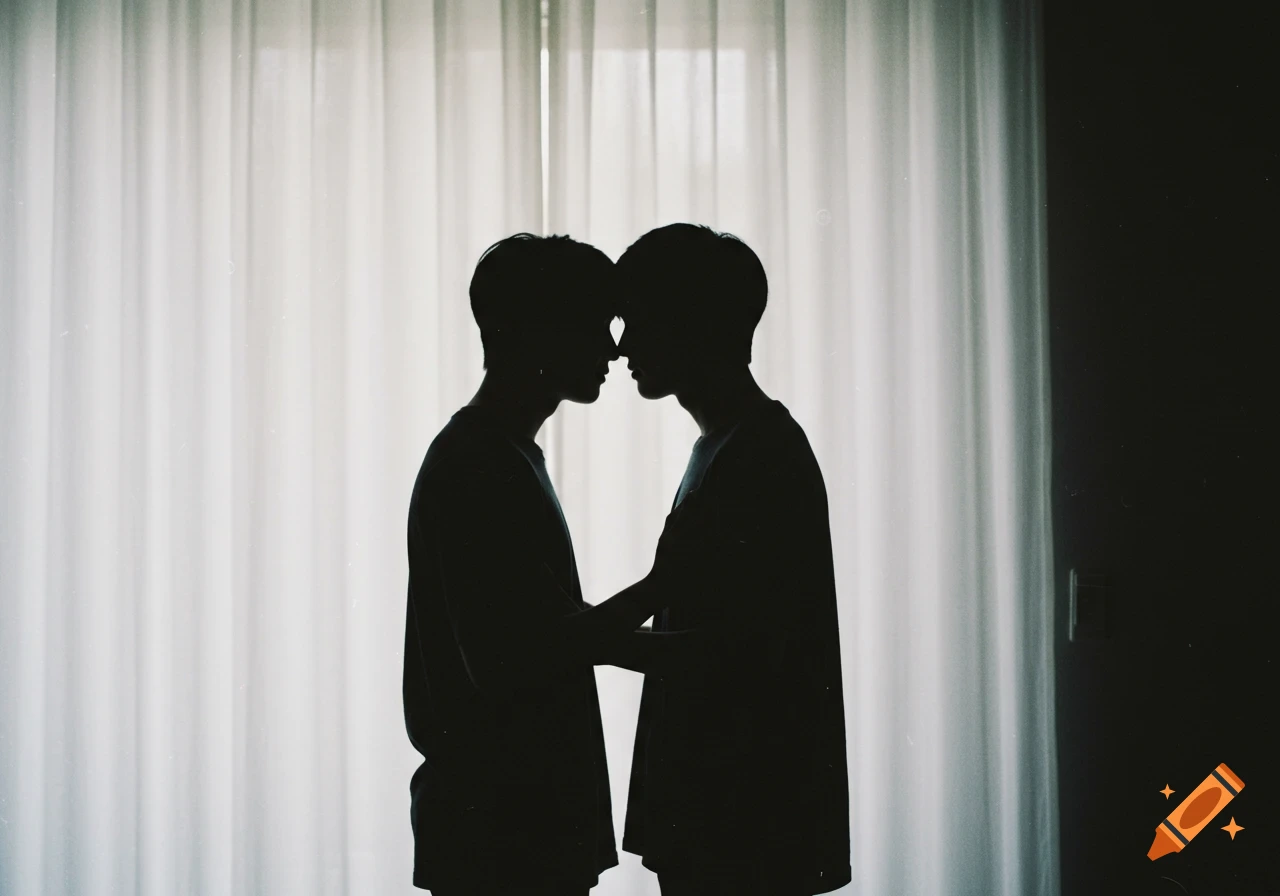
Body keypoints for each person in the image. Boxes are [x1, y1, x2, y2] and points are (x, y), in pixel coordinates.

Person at [574, 224, 852, 895]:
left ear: (691, 323)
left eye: (637, 321)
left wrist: (595, 642)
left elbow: (746, 652)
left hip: (743, 816)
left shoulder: (760, 454)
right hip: (724, 808)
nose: (622, 344)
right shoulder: (730, 445)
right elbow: (680, 593)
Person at [402, 233, 631, 896]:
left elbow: (536, 635)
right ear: (539, 331)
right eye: (595, 325)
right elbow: (516, 658)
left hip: (509, 828)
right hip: (505, 838)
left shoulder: (497, 454)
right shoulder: (481, 465)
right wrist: (664, 591)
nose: (613, 347)